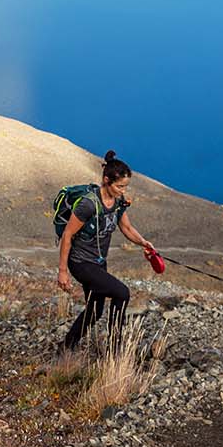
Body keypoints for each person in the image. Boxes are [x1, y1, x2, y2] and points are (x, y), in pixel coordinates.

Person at [55, 150, 156, 352]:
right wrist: (63, 271)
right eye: (119, 186)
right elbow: (67, 235)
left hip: (99, 262)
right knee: (122, 293)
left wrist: (143, 243)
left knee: (94, 311)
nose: (122, 191)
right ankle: (114, 350)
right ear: (106, 180)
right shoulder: (88, 204)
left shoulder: (117, 203)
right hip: (81, 263)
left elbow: (126, 228)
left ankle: (66, 347)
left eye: (125, 186)